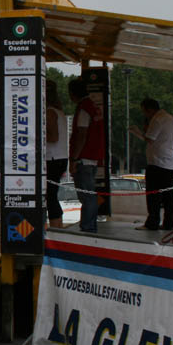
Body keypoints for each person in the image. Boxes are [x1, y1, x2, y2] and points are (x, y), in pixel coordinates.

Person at [129, 98, 173, 231]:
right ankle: (170, 222)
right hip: (172, 162)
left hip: (158, 162)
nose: (145, 115)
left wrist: (137, 132)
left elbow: (150, 139)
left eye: (144, 112)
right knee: (169, 195)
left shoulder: (157, 120)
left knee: (153, 195)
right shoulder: (170, 118)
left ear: (149, 109)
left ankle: (152, 223)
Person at [68, 78, 104, 233]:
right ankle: (90, 225)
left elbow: (82, 134)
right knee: (90, 194)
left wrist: (74, 158)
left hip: (84, 158)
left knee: (86, 196)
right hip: (93, 157)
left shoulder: (84, 108)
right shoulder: (94, 107)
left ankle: (87, 227)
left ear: (73, 93)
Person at [45, 80, 69, 228]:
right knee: (52, 195)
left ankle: (55, 227)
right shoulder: (60, 112)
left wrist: (36, 136)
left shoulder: (50, 112)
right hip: (60, 157)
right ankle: (58, 225)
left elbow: (53, 137)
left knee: (50, 196)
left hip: (52, 158)